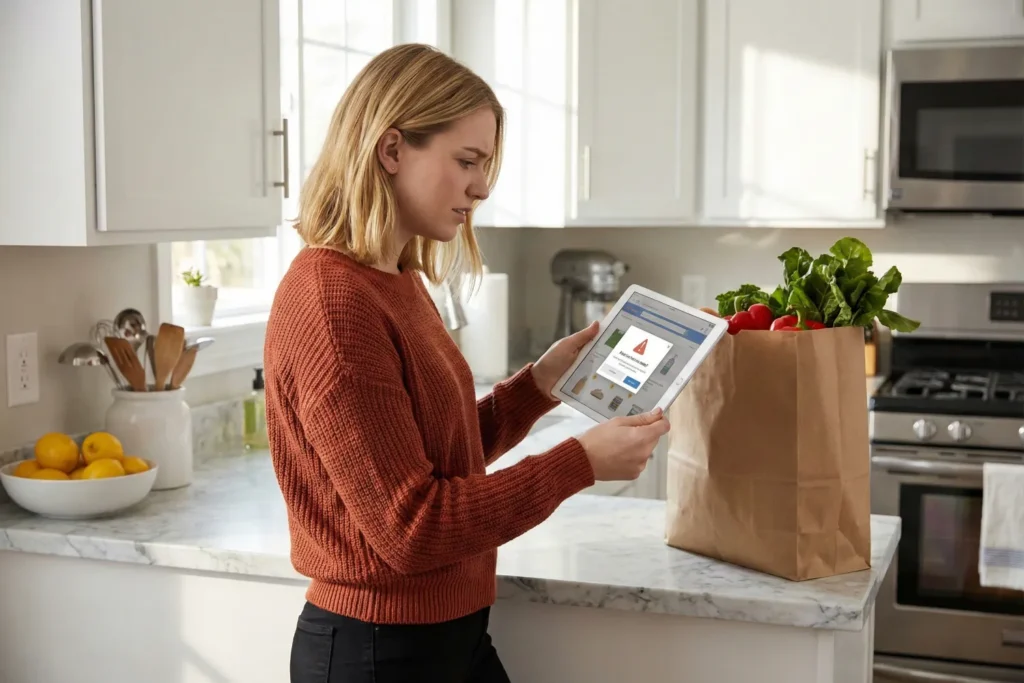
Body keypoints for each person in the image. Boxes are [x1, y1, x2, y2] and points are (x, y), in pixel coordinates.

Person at [264, 43, 671, 683]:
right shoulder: (332, 300)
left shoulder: (394, 279)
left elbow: (438, 456)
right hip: (377, 649)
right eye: (467, 161)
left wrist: (538, 386)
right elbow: (412, 529)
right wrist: (579, 463)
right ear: (392, 149)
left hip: (442, 636)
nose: (481, 187)